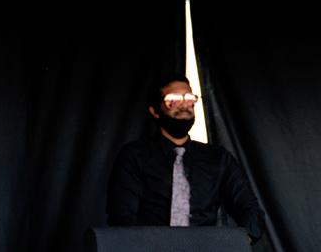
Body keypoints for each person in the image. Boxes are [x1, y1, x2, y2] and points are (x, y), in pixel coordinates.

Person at [108, 75, 265, 243]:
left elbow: (250, 209)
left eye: (189, 98)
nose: (184, 104)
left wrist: (231, 244)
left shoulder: (218, 158)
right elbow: (121, 217)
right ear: (154, 110)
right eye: (173, 99)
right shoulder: (134, 156)